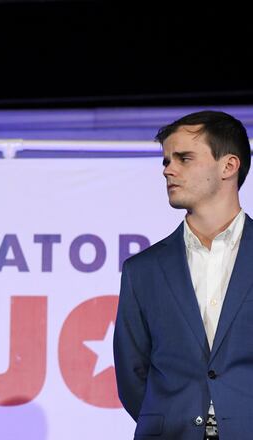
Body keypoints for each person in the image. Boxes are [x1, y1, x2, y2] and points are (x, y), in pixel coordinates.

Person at [114, 110, 253, 439]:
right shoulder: (142, 270)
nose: (168, 170)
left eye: (184, 158)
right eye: (165, 161)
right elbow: (133, 373)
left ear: (228, 166)